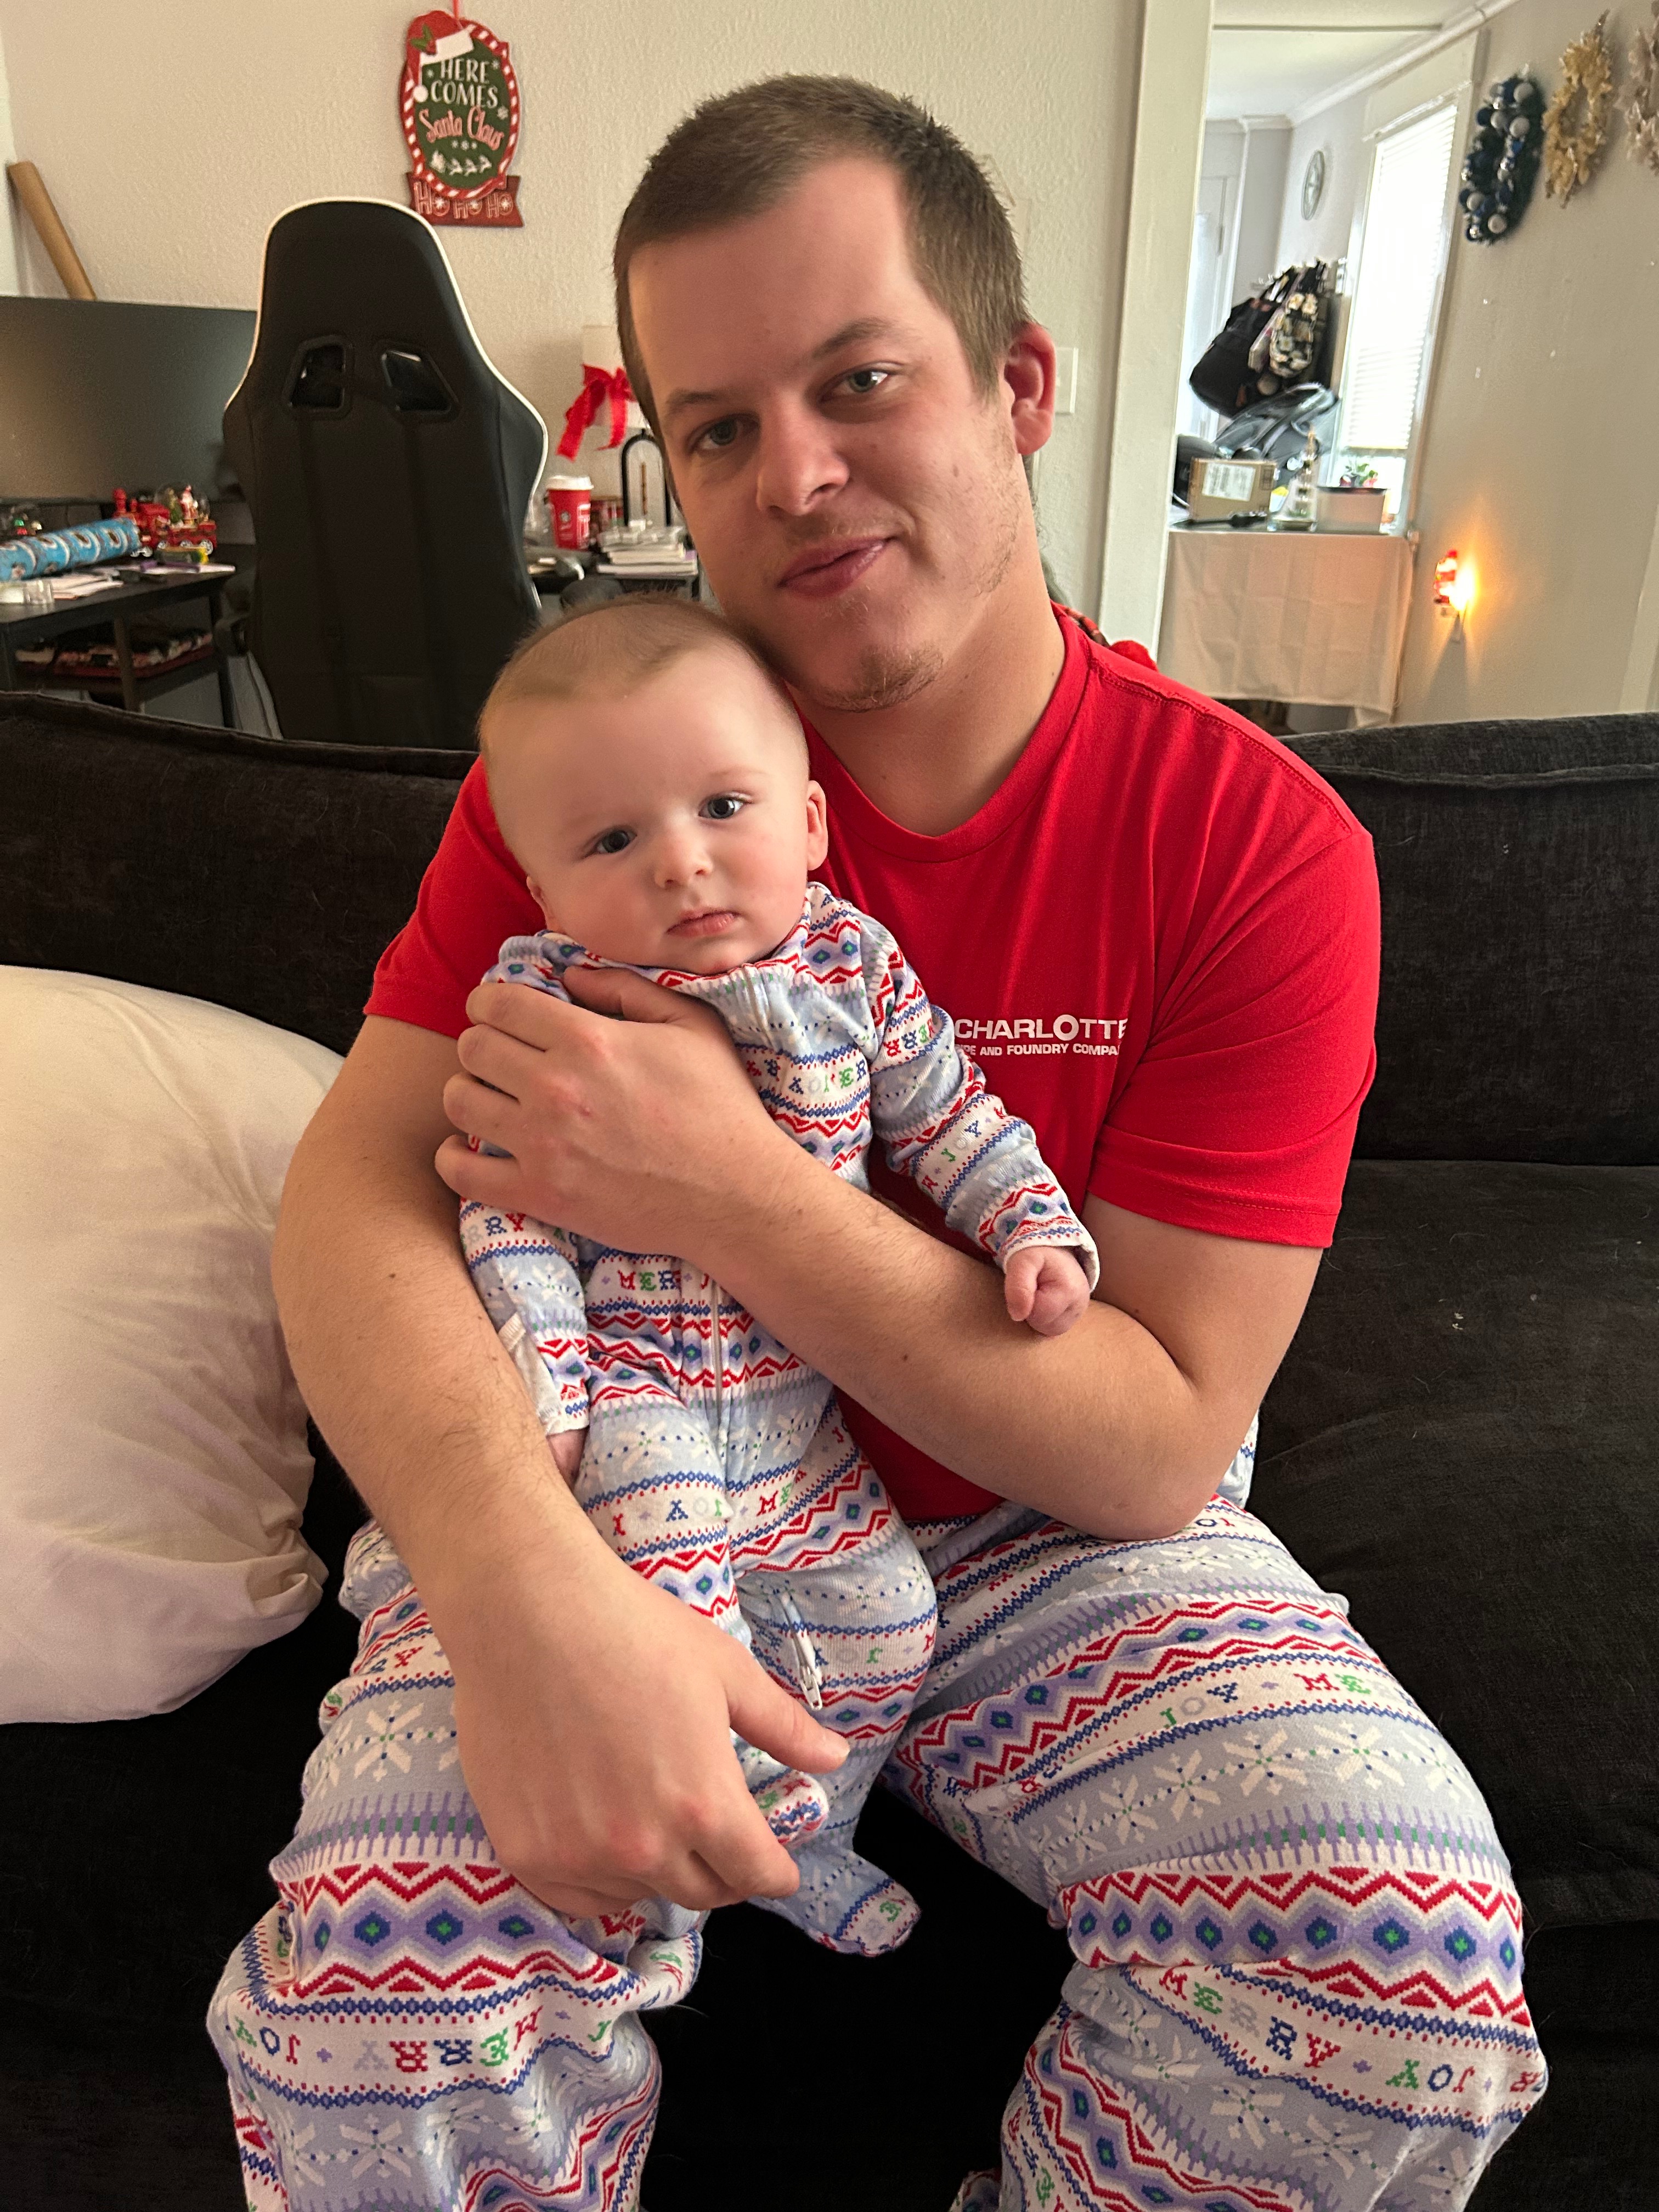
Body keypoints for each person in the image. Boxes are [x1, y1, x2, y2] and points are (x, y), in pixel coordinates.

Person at [211, 75, 1545, 2212]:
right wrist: (515, 1583)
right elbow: (353, 1199)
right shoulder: (608, 773)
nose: (796, 476)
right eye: (719, 428)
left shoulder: (1253, 843)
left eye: (858, 383)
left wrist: (725, 1191)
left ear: (1018, 387)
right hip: (629, 1489)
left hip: (1048, 1537)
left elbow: (1148, 1442)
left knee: (1400, 1960)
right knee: (386, 1996)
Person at [460, 595, 1096, 1954]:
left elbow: (951, 1115)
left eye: (724, 808)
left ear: (809, 825)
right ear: (546, 892)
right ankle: (674, 1889)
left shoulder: (854, 967)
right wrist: (552, 1378)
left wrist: (1033, 1231)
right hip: (636, 1397)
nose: (682, 865)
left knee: (889, 1620)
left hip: (803, 1403)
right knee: (675, 1619)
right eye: (615, 842)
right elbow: (500, 1205)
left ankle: (806, 1846)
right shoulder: (546, 1004)